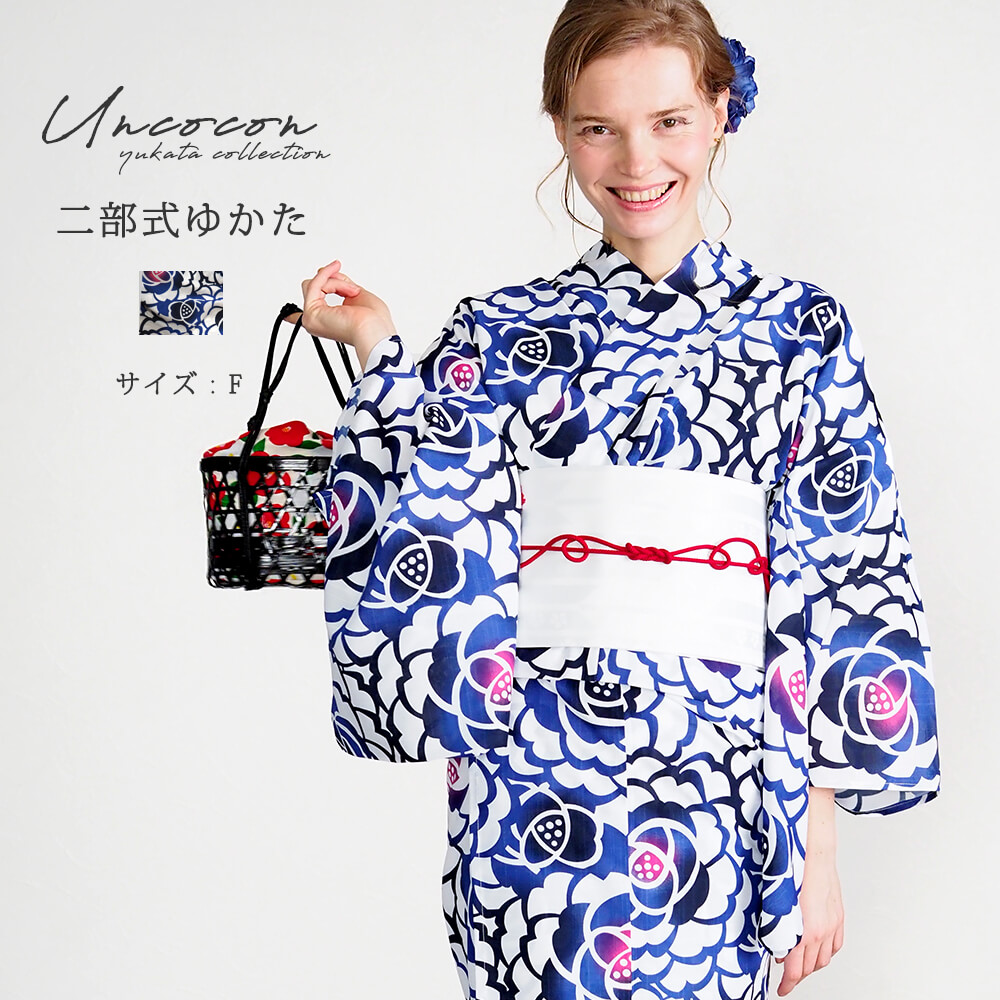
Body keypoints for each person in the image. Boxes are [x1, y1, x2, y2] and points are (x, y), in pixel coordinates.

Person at [297, 2, 940, 997]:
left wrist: (818, 847)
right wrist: (382, 351)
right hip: (534, 788)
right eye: (599, 127)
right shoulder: (498, 332)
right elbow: (435, 501)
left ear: (719, 111)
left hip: (728, 781)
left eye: (669, 121)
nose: (638, 161)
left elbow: (843, 575)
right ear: (560, 127)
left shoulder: (800, 332)